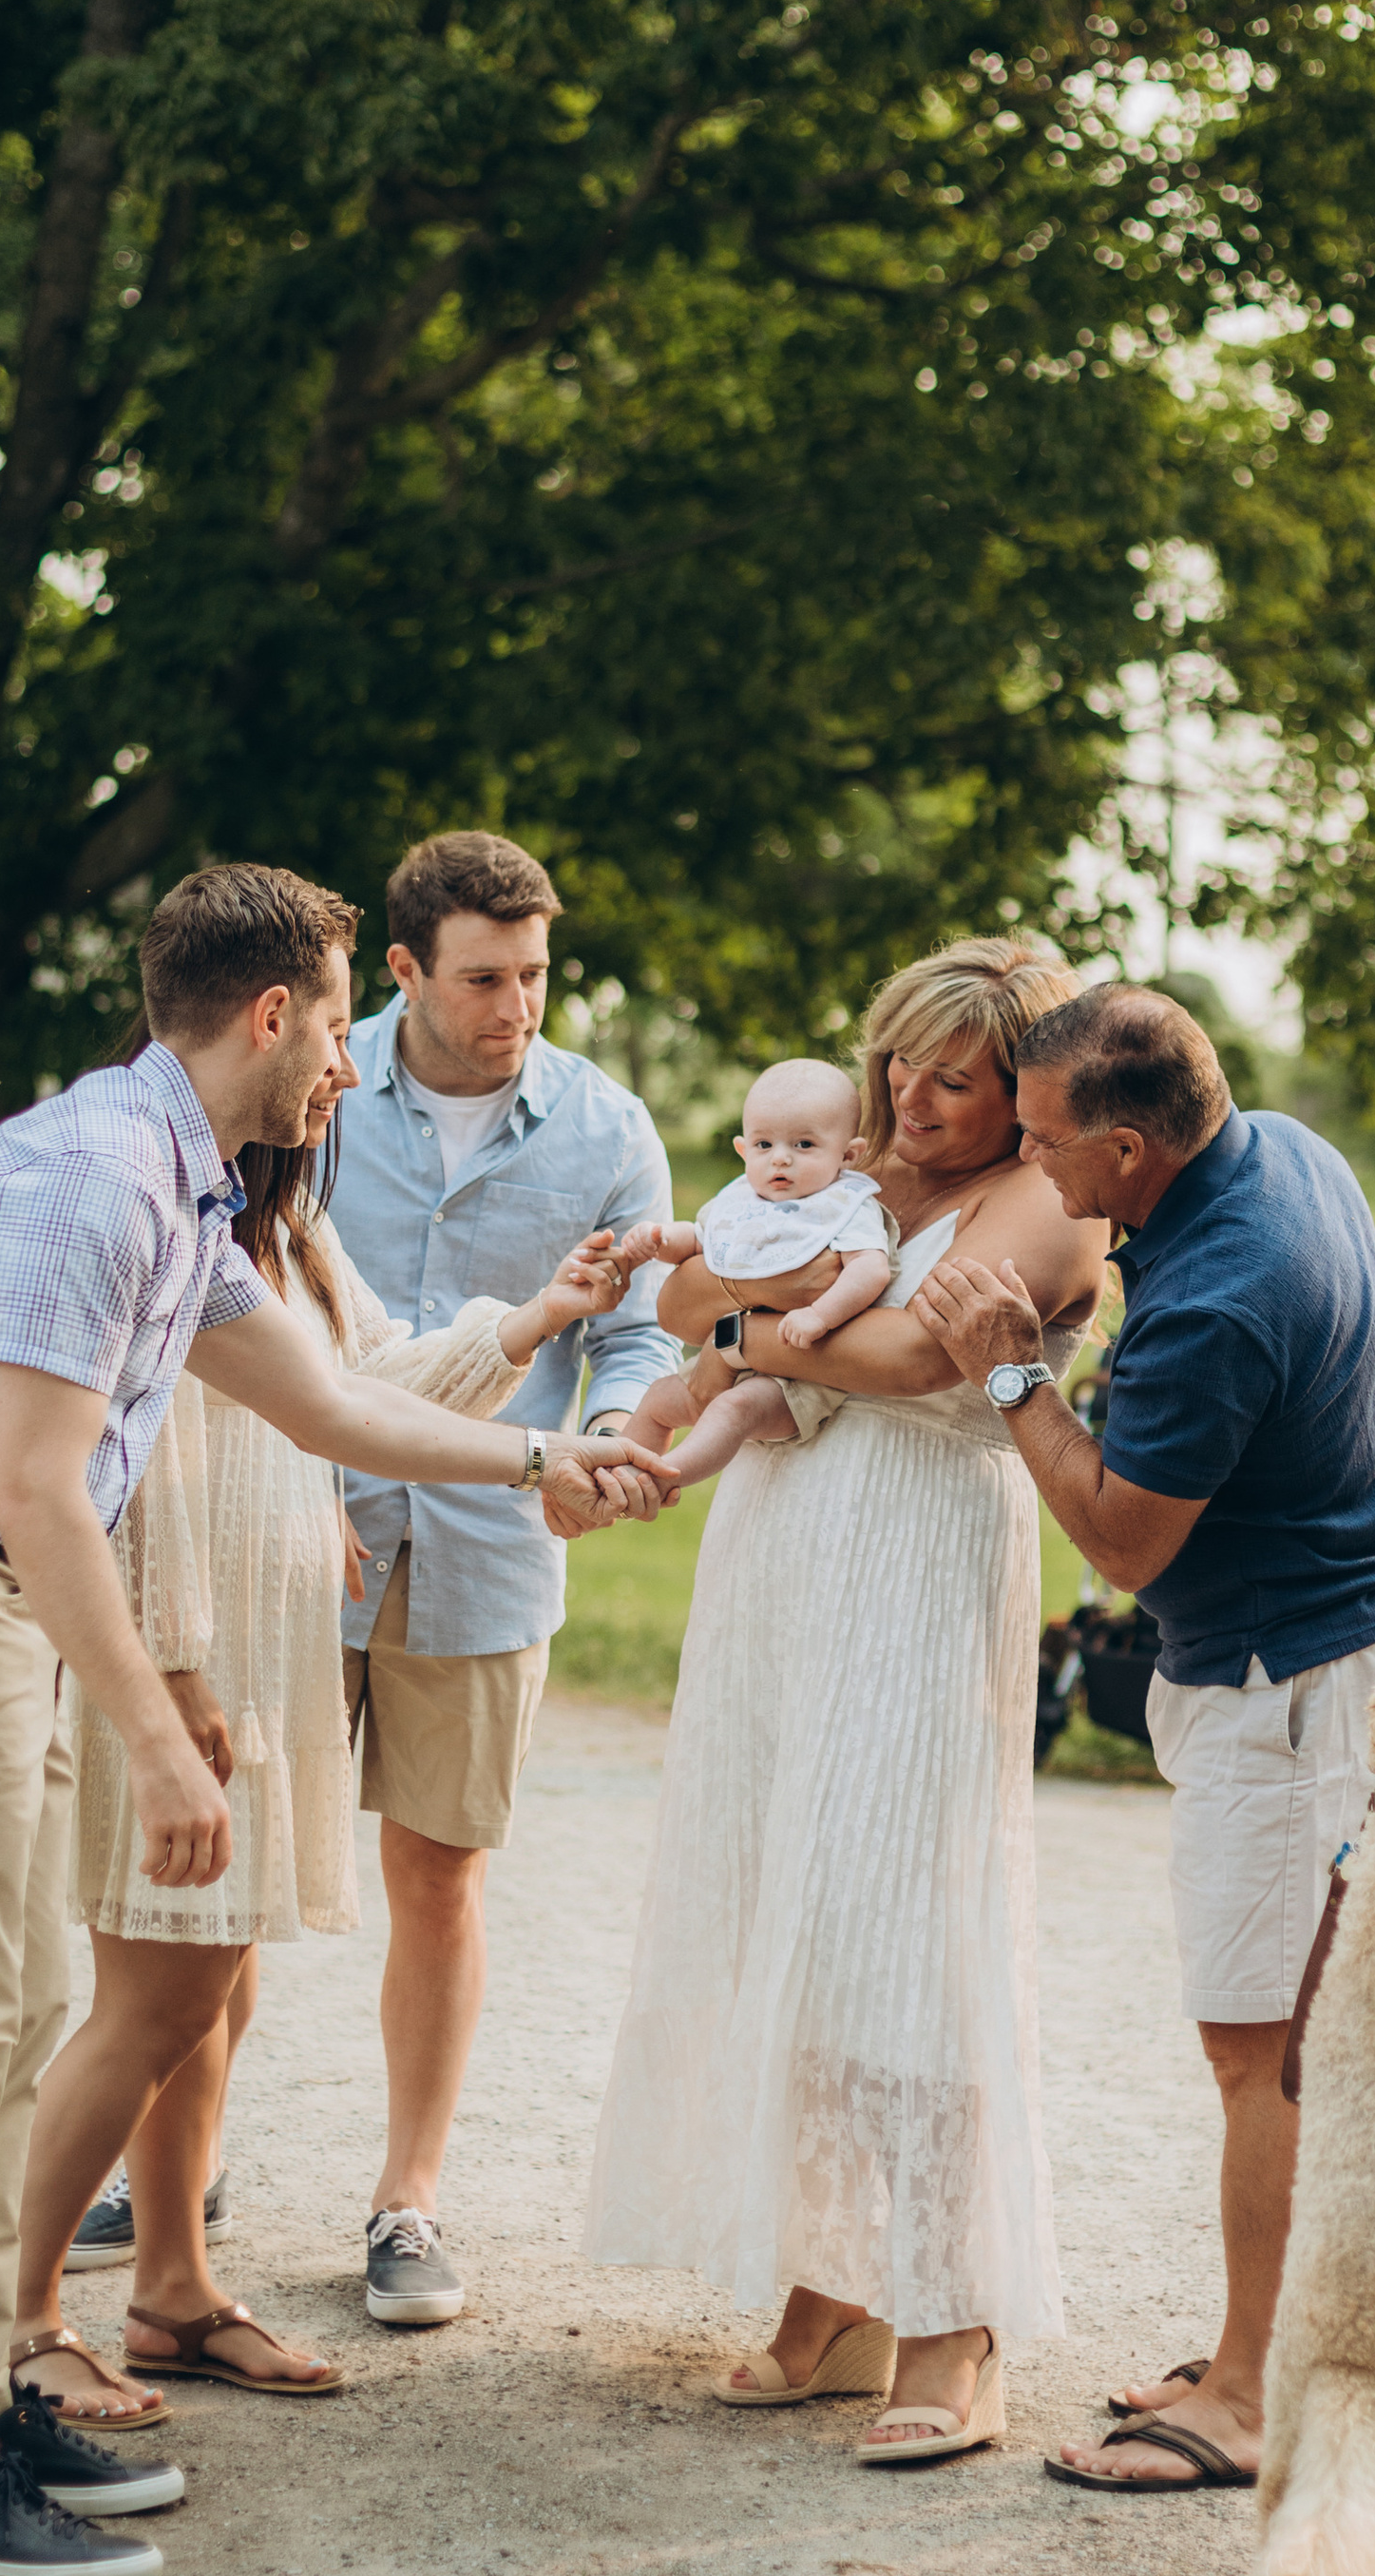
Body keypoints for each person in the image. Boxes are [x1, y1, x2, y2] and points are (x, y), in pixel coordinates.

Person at [0, 861, 668, 2576]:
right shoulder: (96, 1186)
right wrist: (168, 1735)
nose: (351, 1061)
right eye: (341, 1022)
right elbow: (38, 1489)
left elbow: (331, 1397)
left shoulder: (181, 1193)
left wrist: (552, 1457)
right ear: (274, 1015)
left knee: (8, 2008)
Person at [8, 996, 638, 2420]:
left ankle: (170, 2290)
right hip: (191, 1647)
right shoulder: (148, 1214)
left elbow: (362, 1386)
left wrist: (539, 1323)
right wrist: (172, 1670)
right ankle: (21, 2314)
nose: (351, 1067)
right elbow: (134, 1459)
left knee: (210, 1992)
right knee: (156, 2000)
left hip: (265, 1648)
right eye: (339, 1034)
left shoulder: (277, 1227)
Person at [914, 982, 1375, 2493]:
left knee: (1270, 2059)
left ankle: (1254, 2395)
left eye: (1047, 1145)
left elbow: (1125, 1541)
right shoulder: (1284, 1151)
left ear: (1136, 1147)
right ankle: (1295, 2354)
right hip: (1355, 1646)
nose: (1037, 1176)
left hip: (1301, 1695)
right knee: (1308, 2050)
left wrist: (1012, 1371)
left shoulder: (1221, 1296)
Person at [585, 938, 1109, 2462]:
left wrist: (752, 1321)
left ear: (1028, 1096)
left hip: (925, 1564)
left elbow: (893, 1346)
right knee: (787, 1902)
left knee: (907, 1927)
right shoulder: (858, 1168)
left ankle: (959, 2323)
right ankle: (831, 2289)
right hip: (781, 1555)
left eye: (958, 1080)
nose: (914, 1099)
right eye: (900, 1066)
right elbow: (689, 1283)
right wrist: (749, 1310)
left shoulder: (1039, 1200)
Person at [327, 832, 678, 2332]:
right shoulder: (309, 1087)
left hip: (485, 1545)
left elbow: (643, 1337)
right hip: (302, 1527)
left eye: (535, 975)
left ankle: (409, 2200)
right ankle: (173, 2165)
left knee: (441, 1875)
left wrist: (606, 1436)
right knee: (229, 1867)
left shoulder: (607, 1128)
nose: (516, 1006)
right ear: (404, 968)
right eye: (483, 979)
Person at [606, 1056, 897, 1485]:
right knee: (659, 1396)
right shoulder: (740, 1202)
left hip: (799, 1370)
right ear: (743, 1149)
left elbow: (870, 1270)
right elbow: (702, 1241)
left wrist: (820, 1315)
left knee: (731, 1410)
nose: (780, 1160)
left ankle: (656, 1481)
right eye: (765, 1146)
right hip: (727, 1358)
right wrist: (659, 1240)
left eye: (803, 1145)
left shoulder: (845, 1207)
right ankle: (615, 1477)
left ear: (848, 1155)